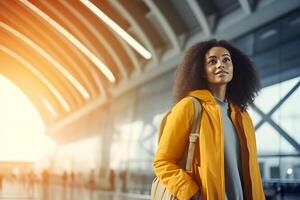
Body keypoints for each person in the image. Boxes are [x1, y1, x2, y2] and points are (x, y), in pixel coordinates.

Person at [153, 39, 265, 200]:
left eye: (226, 60)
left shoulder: (242, 116)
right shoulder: (189, 107)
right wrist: (190, 193)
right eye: (213, 61)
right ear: (202, 71)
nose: (221, 64)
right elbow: (162, 162)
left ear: (234, 68)